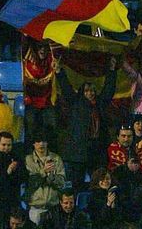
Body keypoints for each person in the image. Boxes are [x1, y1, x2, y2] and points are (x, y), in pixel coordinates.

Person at [56, 56, 117, 191]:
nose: (90, 93)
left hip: (97, 150)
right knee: (76, 185)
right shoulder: (75, 103)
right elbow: (66, 88)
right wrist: (59, 71)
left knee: (98, 184)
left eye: (92, 90)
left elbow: (109, 89)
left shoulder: (100, 103)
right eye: (87, 91)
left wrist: (112, 70)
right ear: (82, 92)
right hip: (78, 153)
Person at [0, 132, 27, 227]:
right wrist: (8, 172)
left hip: (12, 203)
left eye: (9, 145)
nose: (6, 148)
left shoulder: (16, 159)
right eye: (3, 145)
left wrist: (16, 171)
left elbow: (24, 177)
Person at [25, 130, 66, 225]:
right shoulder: (28, 160)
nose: (41, 144)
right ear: (33, 143)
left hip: (53, 208)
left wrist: (51, 176)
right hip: (35, 207)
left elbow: (62, 183)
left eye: (44, 141)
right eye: (38, 141)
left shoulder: (56, 159)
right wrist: (43, 172)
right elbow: (31, 182)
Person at [22, 40, 58, 146]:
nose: (43, 50)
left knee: (52, 127)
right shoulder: (27, 61)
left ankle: (51, 153)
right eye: (40, 47)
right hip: (30, 101)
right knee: (30, 128)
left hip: (47, 101)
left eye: (45, 47)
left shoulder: (52, 61)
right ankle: (29, 154)